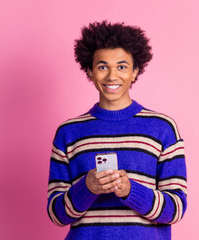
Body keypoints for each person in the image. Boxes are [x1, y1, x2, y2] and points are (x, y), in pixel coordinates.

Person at [47, 21, 187, 240]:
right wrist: (87, 188)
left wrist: (131, 191)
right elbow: (56, 214)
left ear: (135, 71)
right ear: (90, 72)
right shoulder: (68, 132)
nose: (112, 76)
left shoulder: (163, 128)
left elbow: (176, 208)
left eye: (121, 66)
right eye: (102, 67)